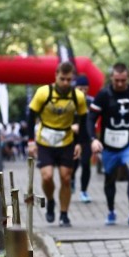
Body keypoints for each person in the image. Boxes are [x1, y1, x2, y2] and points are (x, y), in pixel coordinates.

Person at [89, 63, 129, 226]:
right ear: (111, 78)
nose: (119, 84)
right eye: (116, 80)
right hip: (109, 146)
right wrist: (93, 139)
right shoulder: (103, 95)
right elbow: (90, 119)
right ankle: (111, 211)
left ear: (128, 78)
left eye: (123, 81)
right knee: (110, 179)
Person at [27, 61, 88, 227]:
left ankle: (64, 214)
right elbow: (31, 115)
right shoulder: (43, 93)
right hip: (45, 140)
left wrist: (80, 143)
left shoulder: (78, 96)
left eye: (69, 79)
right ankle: (51, 201)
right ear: (56, 76)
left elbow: (84, 120)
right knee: (47, 176)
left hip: (66, 140)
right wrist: (31, 142)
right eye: (63, 79)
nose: (66, 83)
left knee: (66, 178)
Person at [72, 74, 94, 203]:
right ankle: (71, 179)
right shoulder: (68, 102)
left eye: (85, 89)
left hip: (86, 138)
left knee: (86, 163)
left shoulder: (92, 102)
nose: (83, 91)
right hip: (72, 138)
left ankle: (84, 191)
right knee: (73, 163)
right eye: (80, 88)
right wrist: (71, 126)